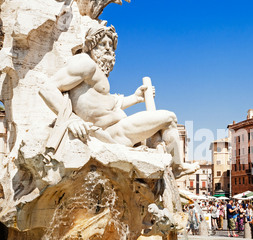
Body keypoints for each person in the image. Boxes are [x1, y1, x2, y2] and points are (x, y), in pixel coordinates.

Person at [39, 25, 199, 179]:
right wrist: (71, 120)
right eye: (102, 44)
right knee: (169, 118)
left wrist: (136, 98)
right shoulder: (84, 63)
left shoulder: (96, 74)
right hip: (110, 132)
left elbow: (108, 105)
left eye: (111, 45)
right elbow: (47, 88)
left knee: (164, 122)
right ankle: (177, 167)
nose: (108, 48)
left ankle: (175, 165)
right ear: (91, 47)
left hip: (117, 130)